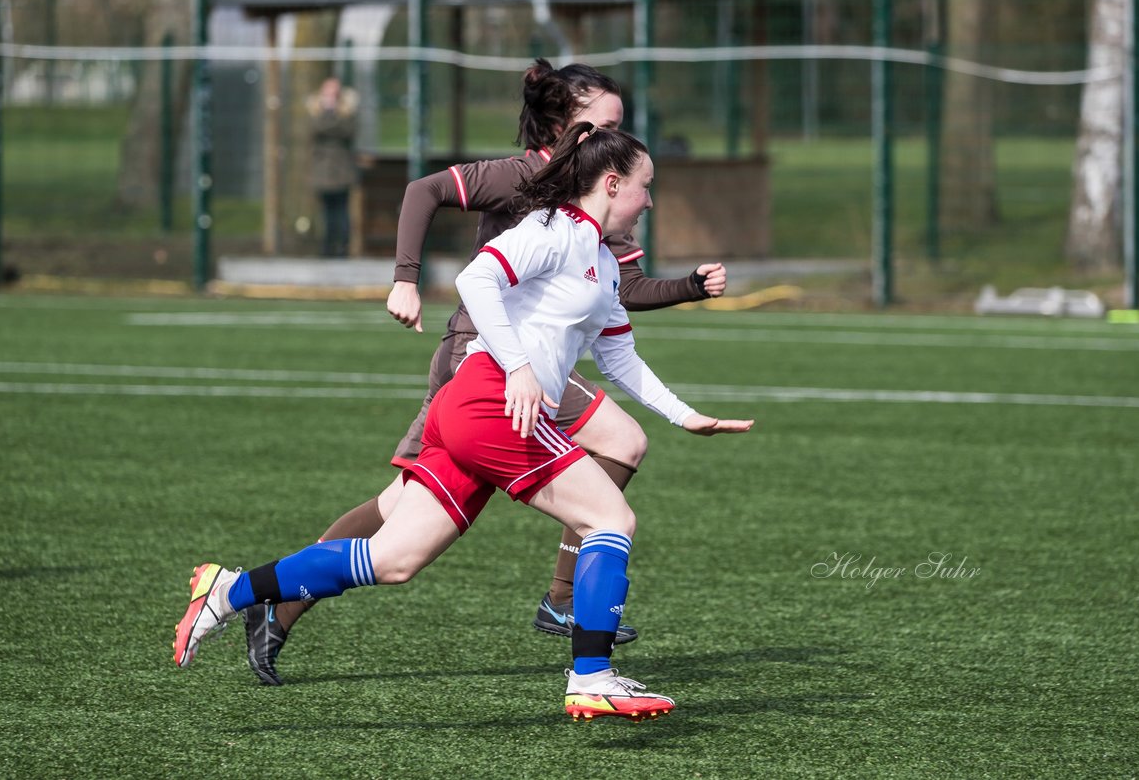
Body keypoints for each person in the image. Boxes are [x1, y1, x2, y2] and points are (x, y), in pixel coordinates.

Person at [174, 125, 754, 720]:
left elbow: (619, 357)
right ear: (611, 184)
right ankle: (592, 675)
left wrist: (687, 417)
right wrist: (521, 368)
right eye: (644, 186)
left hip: (477, 409)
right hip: (490, 403)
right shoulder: (553, 230)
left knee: (393, 560)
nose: (649, 200)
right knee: (610, 516)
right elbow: (475, 279)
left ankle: (229, 590)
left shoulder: (603, 262)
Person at [307, 76, 357, 257]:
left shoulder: (347, 113)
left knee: (342, 212)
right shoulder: (315, 113)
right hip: (322, 173)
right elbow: (316, 129)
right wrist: (328, 113)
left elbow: (346, 131)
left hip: (342, 173)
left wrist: (332, 115)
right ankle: (327, 249)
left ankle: (342, 248)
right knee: (327, 214)